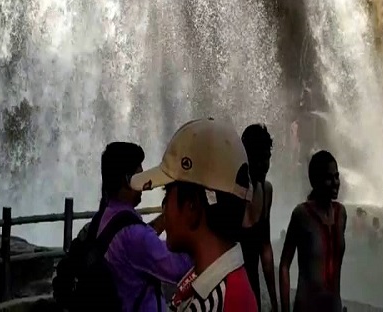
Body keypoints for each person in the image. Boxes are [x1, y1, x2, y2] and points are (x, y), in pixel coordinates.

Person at [130, 118, 256, 312]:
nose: (164, 207)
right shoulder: (217, 281)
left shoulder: (216, 303)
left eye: (167, 193)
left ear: (192, 207)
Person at [93, 141, 192, 311]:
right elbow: (180, 268)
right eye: (140, 175)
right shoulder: (134, 236)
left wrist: (169, 216)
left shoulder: (107, 216)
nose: (145, 185)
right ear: (126, 180)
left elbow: (141, 241)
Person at [279, 150, 347, 312]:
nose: (335, 182)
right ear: (315, 181)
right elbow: (284, 265)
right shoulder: (302, 214)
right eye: (329, 178)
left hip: (334, 307)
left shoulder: (341, 214)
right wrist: (284, 309)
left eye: (337, 176)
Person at [240, 124, 278, 312]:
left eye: (267, 158)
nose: (265, 165)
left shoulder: (266, 190)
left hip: (252, 287)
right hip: (230, 288)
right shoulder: (230, 194)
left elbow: (265, 248)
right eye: (259, 158)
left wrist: (274, 301)